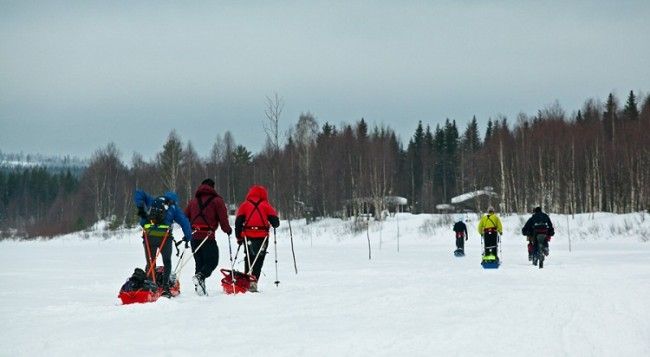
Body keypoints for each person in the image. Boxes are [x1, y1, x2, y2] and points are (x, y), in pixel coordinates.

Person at [134, 189, 192, 297]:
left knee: (151, 262)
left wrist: (141, 206)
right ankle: (165, 288)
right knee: (167, 262)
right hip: (164, 237)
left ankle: (151, 287)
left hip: (149, 235)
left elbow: (139, 193)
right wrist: (188, 237)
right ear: (175, 200)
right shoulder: (174, 207)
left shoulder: (153, 200)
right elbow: (184, 222)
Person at [184, 178, 232, 296]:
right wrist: (227, 230)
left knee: (199, 263)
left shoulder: (193, 201)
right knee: (212, 261)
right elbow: (223, 218)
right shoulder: (217, 201)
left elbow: (184, 217)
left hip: (194, 236)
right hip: (208, 236)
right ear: (212, 187)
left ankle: (199, 289)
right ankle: (200, 278)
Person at [234, 185, 280, 292]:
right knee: (259, 259)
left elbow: (238, 222)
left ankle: (246, 280)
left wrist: (238, 237)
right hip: (262, 237)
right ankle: (253, 282)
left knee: (249, 257)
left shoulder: (244, 205)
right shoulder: (266, 205)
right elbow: (276, 223)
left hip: (247, 236)